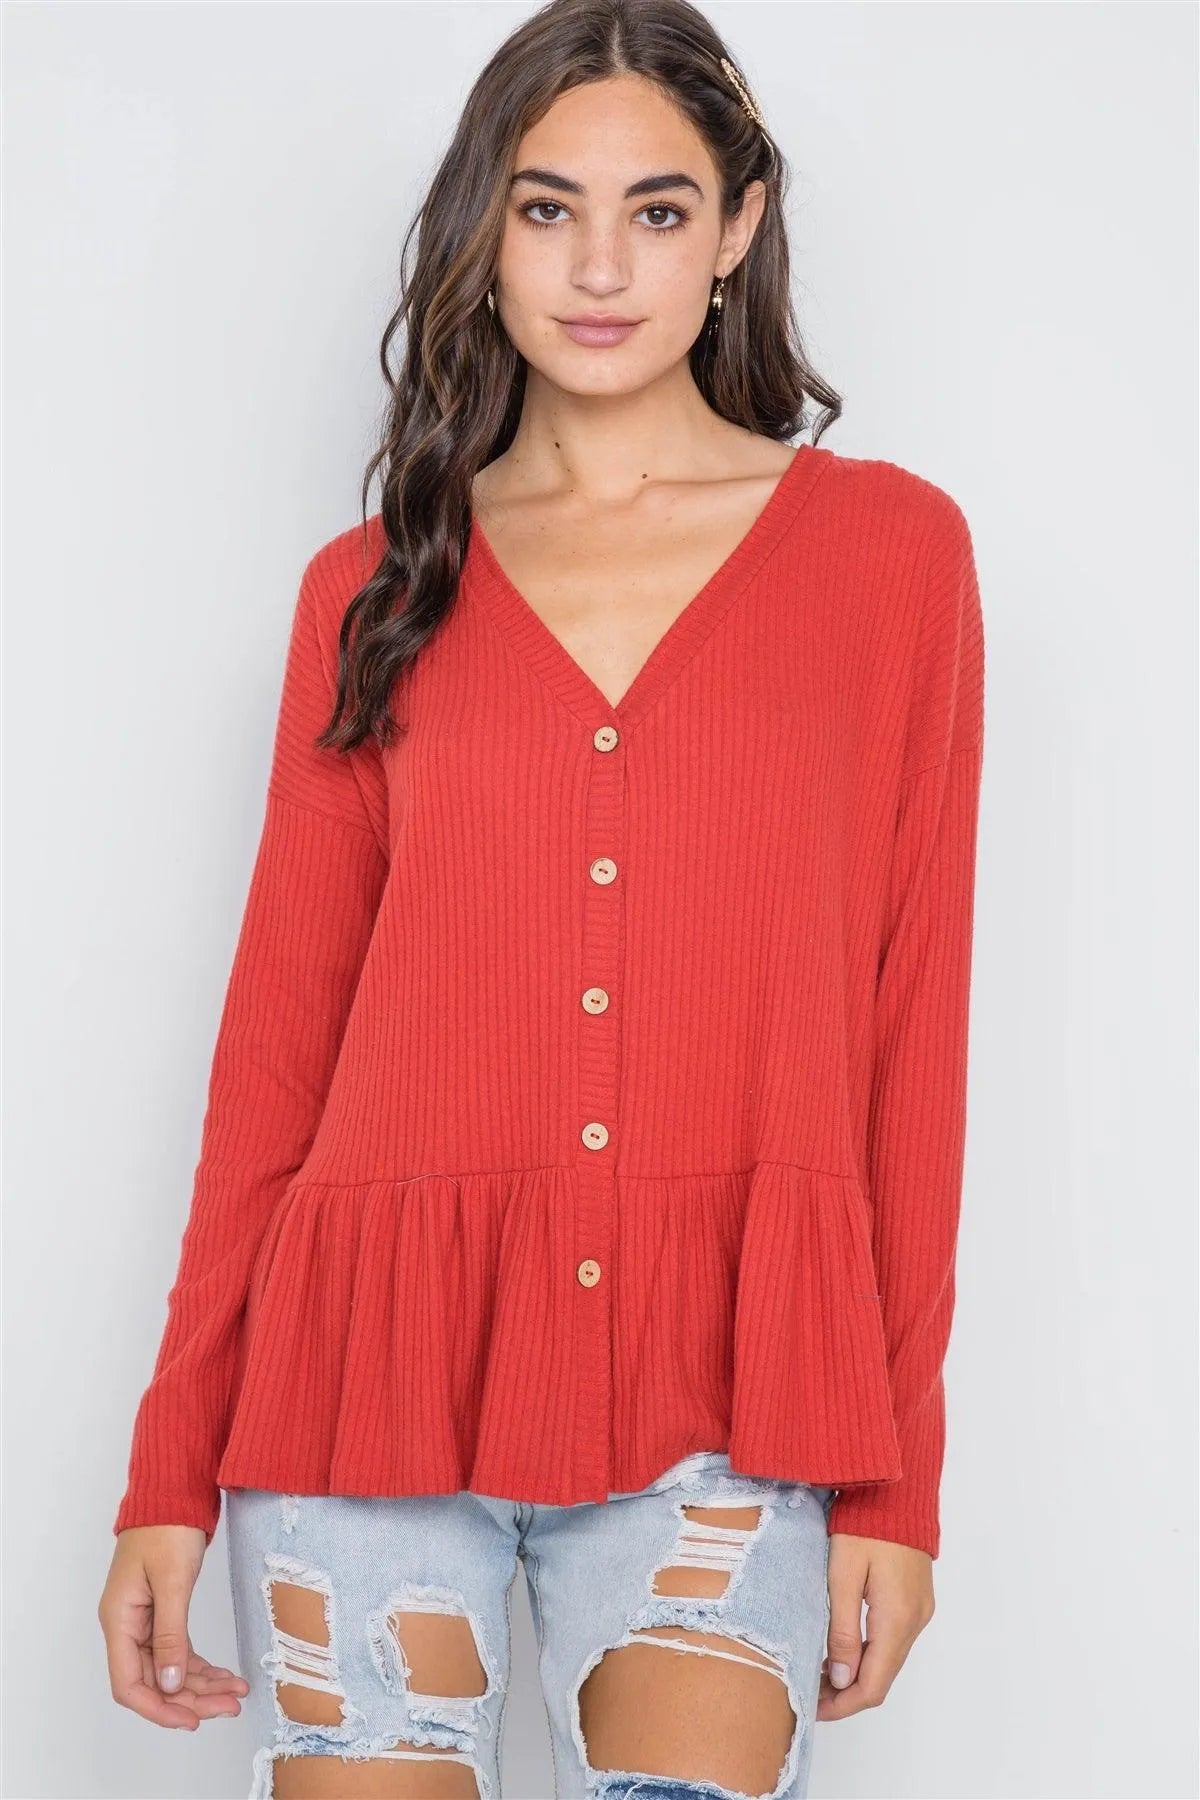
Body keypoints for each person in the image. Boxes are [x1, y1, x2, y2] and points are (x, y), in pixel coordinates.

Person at [98, 1, 987, 1795]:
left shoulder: (891, 558)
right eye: (545, 208)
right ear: (483, 233)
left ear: (737, 230)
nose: (598, 268)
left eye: (657, 211)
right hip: (358, 1396)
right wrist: (168, 1464)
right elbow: (276, 1059)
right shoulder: (373, 589)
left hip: (730, 1407)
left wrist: (899, 1481)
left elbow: (910, 1027)